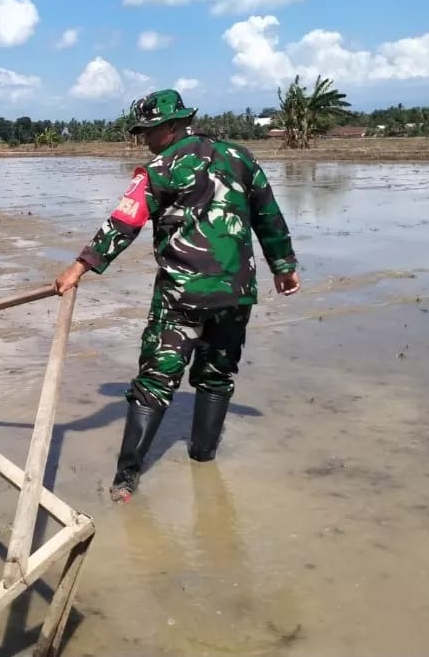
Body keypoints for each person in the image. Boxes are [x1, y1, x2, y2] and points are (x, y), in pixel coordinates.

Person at [54, 89, 300, 503]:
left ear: (170, 128)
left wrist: (78, 268)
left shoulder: (158, 169)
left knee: (154, 381)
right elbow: (268, 216)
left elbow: (122, 223)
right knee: (217, 376)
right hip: (236, 294)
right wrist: (284, 266)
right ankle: (204, 461)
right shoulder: (241, 157)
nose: (143, 141)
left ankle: (126, 480)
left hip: (181, 297)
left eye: (148, 132)